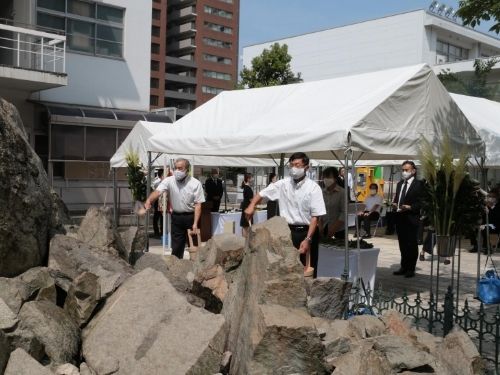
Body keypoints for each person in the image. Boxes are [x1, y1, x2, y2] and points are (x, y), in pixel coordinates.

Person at [244, 152, 326, 278]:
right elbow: (262, 194)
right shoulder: (283, 184)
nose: (294, 168)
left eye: (297, 165)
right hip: (287, 232)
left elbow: (315, 216)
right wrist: (251, 206)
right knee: (286, 271)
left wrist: (308, 239)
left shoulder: (313, 188)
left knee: (307, 272)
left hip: (307, 232)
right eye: (291, 165)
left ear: (306, 167)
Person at [145, 158, 205, 259]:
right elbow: (158, 191)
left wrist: (195, 223)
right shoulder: (169, 180)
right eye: (176, 168)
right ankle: (177, 266)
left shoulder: (195, 183)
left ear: (187, 169)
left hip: (191, 216)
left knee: (194, 245)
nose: (177, 171)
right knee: (177, 246)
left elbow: (198, 204)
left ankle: (195, 266)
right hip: (177, 216)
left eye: (180, 168)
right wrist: (149, 201)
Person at [391, 160, 424, 278]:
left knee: (411, 244)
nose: (404, 172)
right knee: (402, 243)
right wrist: (395, 204)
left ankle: (411, 268)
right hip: (400, 217)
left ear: (413, 171)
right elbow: (397, 198)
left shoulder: (419, 184)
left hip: (412, 218)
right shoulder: (400, 184)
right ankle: (403, 266)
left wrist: (410, 207)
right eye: (403, 170)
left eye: (406, 170)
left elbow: (422, 202)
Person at [470, 188, 500, 253]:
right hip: (485, 223)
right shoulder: (486, 205)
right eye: (489, 196)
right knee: (471, 227)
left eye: (493, 197)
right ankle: (475, 245)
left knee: (486, 228)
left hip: (495, 225)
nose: (490, 198)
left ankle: (488, 247)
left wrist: (491, 207)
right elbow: (482, 217)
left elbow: (497, 216)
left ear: (497, 197)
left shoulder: (497, 205)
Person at [321, 167, 346, 240]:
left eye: (328, 177)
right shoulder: (321, 192)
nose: (326, 179)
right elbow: (318, 211)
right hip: (323, 228)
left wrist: (334, 228)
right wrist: (319, 226)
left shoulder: (342, 192)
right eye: (324, 177)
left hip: (339, 230)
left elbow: (344, 212)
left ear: (335, 178)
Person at [240, 173, 254, 238]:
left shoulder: (246, 187)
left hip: (246, 207)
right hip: (247, 208)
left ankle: (245, 240)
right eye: (251, 178)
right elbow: (251, 200)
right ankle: (245, 241)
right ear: (248, 179)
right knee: (246, 226)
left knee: (245, 225)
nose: (252, 179)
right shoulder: (247, 188)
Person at [152, 169, 165, 238]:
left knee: (162, 217)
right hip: (158, 200)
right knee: (156, 217)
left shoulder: (164, 181)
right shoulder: (156, 182)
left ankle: (162, 232)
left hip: (164, 200)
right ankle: (156, 232)